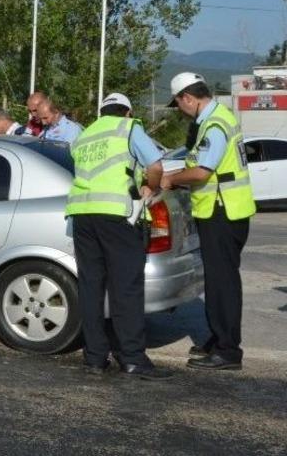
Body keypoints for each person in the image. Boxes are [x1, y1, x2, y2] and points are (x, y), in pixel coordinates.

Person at [66, 92, 172, 380]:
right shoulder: (128, 128)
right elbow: (155, 166)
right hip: (117, 216)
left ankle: (95, 358)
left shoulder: (85, 135)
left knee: (90, 287)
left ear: (102, 112)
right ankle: (132, 357)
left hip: (82, 216)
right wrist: (149, 188)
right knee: (125, 286)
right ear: (127, 111)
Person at [161, 72, 255, 371]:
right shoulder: (219, 117)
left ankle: (228, 350)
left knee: (222, 283)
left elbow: (201, 172)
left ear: (187, 98)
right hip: (226, 210)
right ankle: (220, 338)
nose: (182, 112)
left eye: (179, 105)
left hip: (221, 211)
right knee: (219, 279)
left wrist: (170, 179)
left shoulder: (213, 125)